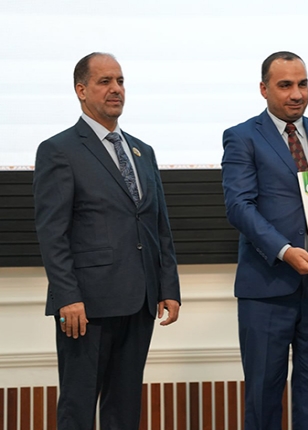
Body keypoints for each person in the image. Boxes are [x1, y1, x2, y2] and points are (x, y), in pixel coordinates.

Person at [33, 52, 181, 430]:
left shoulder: (142, 151)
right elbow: (52, 232)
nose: (116, 89)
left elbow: (158, 224)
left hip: (141, 300)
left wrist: (168, 287)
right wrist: (67, 296)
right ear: (81, 90)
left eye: (120, 81)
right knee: (78, 408)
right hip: (87, 305)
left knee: (125, 409)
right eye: (105, 81)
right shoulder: (59, 150)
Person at [221, 51, 308, 430]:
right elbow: (239, 206)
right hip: (267, 288)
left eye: (303, 84)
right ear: (264, 89)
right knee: (263, 399)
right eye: (285, 85)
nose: (297, 94)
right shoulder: (242, 136)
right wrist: (285, 251)